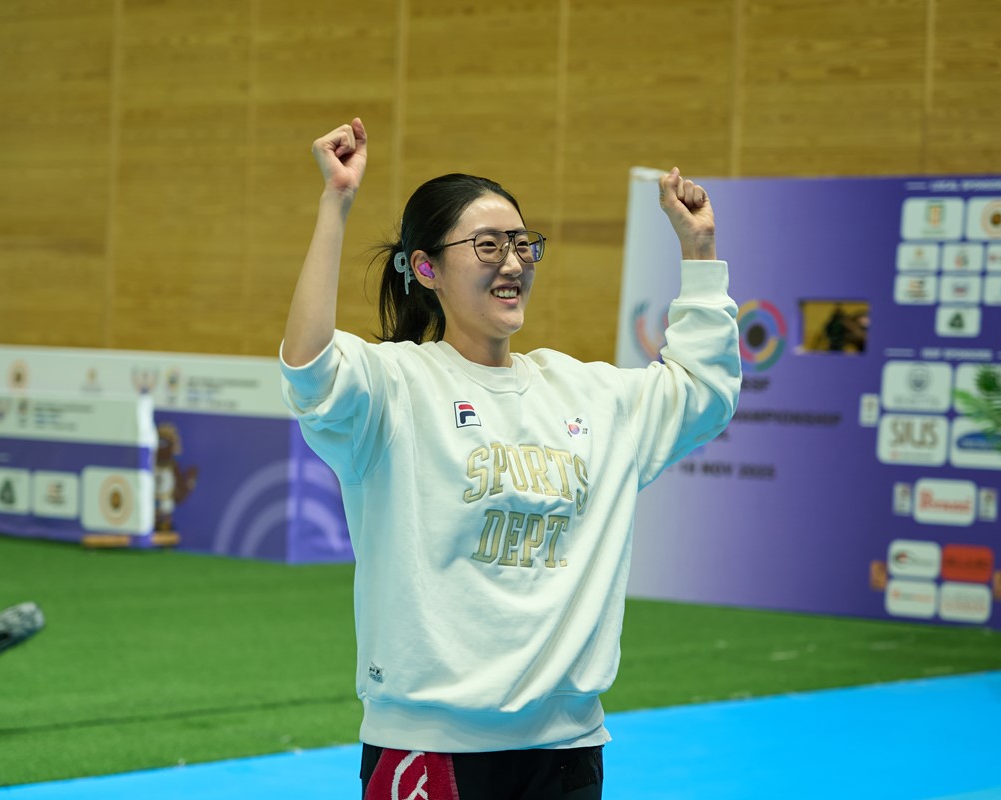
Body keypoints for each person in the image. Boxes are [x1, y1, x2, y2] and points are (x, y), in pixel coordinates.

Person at [278, 117, 741, 799]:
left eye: (524, 244)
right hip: (432, 748)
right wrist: (335, 203)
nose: (515, 262)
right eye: (489, 245)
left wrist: (699, 252)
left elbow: (704, 393)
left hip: (567, 751)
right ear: (426, 269)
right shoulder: (397, 387)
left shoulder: (588, 393)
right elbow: (311, 367)